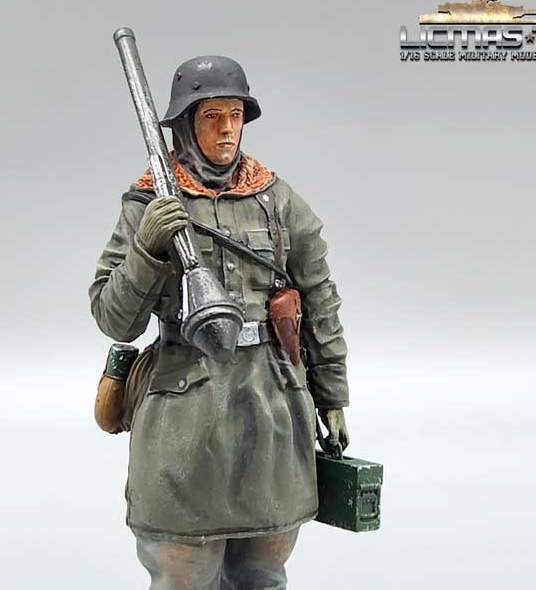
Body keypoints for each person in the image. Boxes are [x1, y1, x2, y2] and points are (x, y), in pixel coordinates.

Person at [90, 55, 350, 590]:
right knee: (182, 570)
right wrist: (147, 249)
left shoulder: (277, 201)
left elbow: (320, 301)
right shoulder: (149, 200)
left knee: (263, 568)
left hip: (271, 404)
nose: (227, 129)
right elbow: (114, 318)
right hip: (183, 408)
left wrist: (332, 397)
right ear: (187, 123)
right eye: (212, 116)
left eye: (235, 115)